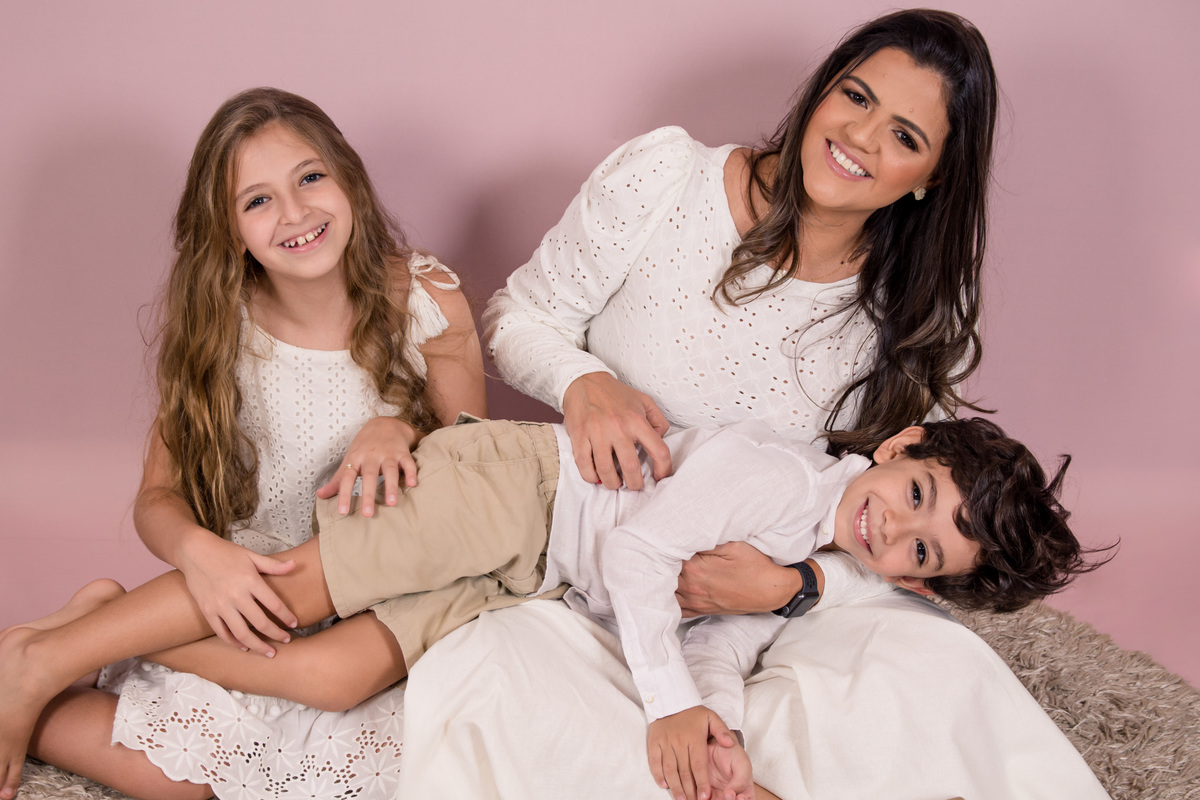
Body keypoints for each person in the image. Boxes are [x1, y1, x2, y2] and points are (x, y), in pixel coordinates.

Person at [0, 413, 1096, 800]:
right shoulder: (777, 478)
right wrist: (667, 706)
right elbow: (640, 556)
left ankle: (88, 623)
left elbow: (719, 642)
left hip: (522, 570)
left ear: (915, 583)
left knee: (332, 676)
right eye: (915, 496)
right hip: (509, 490)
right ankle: (43, 658)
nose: (892, 530)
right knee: (293, 589)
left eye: (918, 551)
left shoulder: (801, 563)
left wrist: (718, 741)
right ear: (900, 446)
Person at [0, 87, 486, 799]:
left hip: (381, 592)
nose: (295, 213)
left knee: (359, 712)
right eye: (257, 201)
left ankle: (94, 635)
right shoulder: (222, 324)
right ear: (228, 231)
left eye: (310, 177)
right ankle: (38, 667)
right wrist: (200, 553)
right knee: (184, 786)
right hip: (252, 594)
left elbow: (474, 465)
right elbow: (157, 498)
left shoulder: (426, 297)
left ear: (349, 177)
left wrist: (399, 428)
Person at [483, 8, 999, 618]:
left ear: (933, 178)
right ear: (823, 89)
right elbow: (516, 318)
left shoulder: (924, 309)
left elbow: (920, 540)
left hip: (745, 614)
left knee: (930, 658)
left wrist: (798, 587)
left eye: (905, 137)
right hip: (581, 548)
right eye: (856, 97)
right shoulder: (668, 179)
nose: (861, 136)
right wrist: (581, 381)